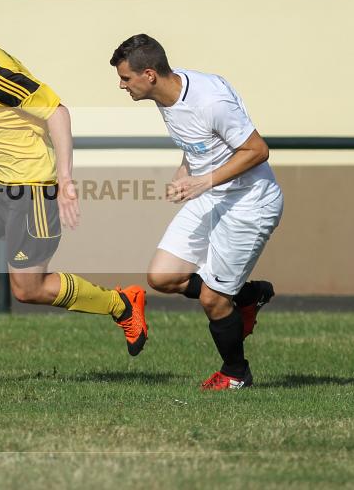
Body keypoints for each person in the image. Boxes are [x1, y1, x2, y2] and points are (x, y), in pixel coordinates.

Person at [0, 5, 147, 384]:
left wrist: (65, 180)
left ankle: (122, 303)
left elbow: (57, 112)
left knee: (28, 290)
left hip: (33, 186)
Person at [109, 34, 282, 390]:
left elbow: (258, 150)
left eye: (126, 78)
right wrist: (185, 174)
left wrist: (204, 181)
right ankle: (248, 295)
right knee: (163, 276)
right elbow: (200, 144)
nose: (121, 85)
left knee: (213, 300)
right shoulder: (167, 94)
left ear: (149, 74)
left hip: (250, 202)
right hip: (212, 193)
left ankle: (236, 374)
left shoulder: (210, 100)